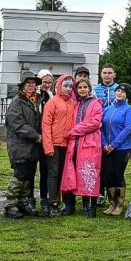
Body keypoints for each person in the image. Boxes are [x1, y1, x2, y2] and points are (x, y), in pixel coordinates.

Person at [60, 78, 103, 218]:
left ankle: (92, 207)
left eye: (85, 87)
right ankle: (76, 205)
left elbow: (94, 123)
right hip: (76, 144)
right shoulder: (77, 104)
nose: (83, 89)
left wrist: (74, 131)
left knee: (90, 173)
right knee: (75, 173)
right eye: (80, 87)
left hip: (90, 143)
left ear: (89, 89)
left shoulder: (96, 103)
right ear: (76, 90)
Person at [4, 71, 43, 219]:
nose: (31, 85)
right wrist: (36, 136)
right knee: (19, 175)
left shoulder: (38, 100)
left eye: (33, 83)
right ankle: (10, 204)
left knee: (29, 176)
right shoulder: (16, 102)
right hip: (20, 145)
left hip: (33, 147)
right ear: (22, 86)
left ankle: (22, 202)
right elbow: (18, 125)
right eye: (28, 83)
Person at [41, 74, 76, 217]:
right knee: (53, 173)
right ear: (59, 86)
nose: (68, 89)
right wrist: (48, 146)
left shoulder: (73, 103)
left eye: (70, 86)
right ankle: (52, 203)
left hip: (67, 144)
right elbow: (46, 125)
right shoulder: (52, 102)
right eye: (65, 86)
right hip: (54, 144)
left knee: (63, 174)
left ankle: (61, 201)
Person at [100, 83, 131, 216]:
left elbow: (127, 128)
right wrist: (104, 144)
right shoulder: (107, 109)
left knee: (118, 174)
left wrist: (113, 145)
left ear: (127, 95)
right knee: (108, 175)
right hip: (106, 148)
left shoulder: (128, 109)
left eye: (123, 92)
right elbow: (100, 126)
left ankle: (119, 204)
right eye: (118, 91)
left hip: (121, 148)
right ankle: (112, 203)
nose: (119, 93)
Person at [93, 63, 119, 206]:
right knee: (99, 165)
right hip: (98, 131)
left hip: (114, 133)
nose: (107, 75)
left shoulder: (119, 89)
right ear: (101, 74)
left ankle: (113, 195)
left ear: (114, 74)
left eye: (110, 73)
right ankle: (99, 193)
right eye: (104, 73)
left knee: (113, 167)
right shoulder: (95, 90)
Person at [35, 69, 54, 216]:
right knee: (29, 170)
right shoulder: (34, 96)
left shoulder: (51, 96)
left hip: (47, 137)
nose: (46, 85)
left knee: (45, 170)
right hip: (35, 136)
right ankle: (28, 198)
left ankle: (44, 197)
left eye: (49, 82)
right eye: (44, 82)